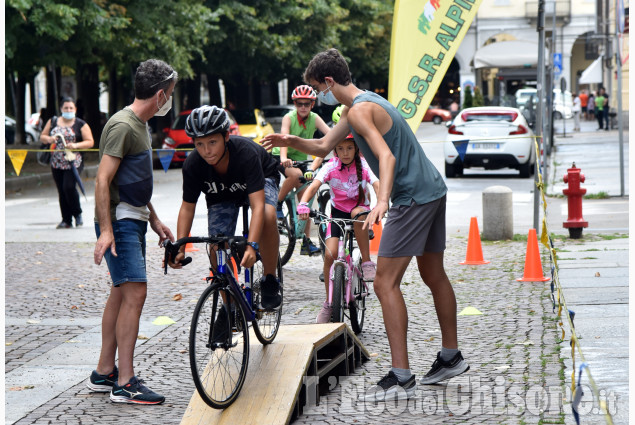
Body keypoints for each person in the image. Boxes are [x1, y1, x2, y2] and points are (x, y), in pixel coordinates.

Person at [262, 48, 468, 402]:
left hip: (410, 198)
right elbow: (326, 145)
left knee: (385, 283)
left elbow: (385, 156)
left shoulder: (357, 111)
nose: (318, 98)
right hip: (432, 189)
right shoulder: (361, 105)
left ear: (328, 82)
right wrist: (290, 141)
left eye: (317, 88)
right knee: (434, 275)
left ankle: (401, 375)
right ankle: (451, 356)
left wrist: (383, 200)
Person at [89, 59, 177, 405]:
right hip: (121, 221)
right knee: (135, 293)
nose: (169, 99)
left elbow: (134, 181)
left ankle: (104, 371)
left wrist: (153, 219)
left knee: (120, 292)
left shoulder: (140, 125)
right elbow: (102, 179)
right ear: (159, 95)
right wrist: (106, 230)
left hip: (134, 217)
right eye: (169, 94)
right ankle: (125, 382)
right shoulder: (123, 125)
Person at [167, 105, 282, 310]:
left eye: (212, 142)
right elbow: (187, 207)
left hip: (261, 179)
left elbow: (257, 206)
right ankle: (229, 308)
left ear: (226, 137)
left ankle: (270, 279)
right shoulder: (193, 164)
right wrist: (180, 246)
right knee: (216, 245)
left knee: (267, 214)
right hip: (222, 193)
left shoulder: (246, 154)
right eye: (199, 144)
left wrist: (252, 246)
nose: (206, 151)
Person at [297, 134, 380, 323]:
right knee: (330, 255)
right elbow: (313, 186)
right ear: (335, 151)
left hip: (359, 213)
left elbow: (377, 184)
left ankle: (366, 262)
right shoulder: (330, 166)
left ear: (357, 149)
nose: (345, 153)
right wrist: (303, 204)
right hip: (336, 215)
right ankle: (328, 302)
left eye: (349, 148)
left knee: (358, 213)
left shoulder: (364, 165)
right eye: (340, 149)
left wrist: (381, 203)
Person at [273, 85, 331, 256]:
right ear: (295, 104)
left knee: (305, 199)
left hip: (301, 159)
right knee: (296, 175)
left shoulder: (315, 118)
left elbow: (330, 136)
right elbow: (284, 140)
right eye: (299, 104)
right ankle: (278, 202)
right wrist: (284, 159)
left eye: (307, 104)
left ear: (312, 104)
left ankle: (306, 242)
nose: (303, 107)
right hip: (280, 156)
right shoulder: (288, 118)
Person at [39, 97, 95, 229]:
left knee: (68, 187)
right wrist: (49, 139)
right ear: (61, 109)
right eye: (66, 108)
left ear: (75, 109)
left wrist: (75, 145)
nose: (68, 110)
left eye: (71, 108)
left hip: (73, 161)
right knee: (61, 190)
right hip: (56, 161)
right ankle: (66, 219)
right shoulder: (53, 121)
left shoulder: (81, 124)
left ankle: (78, 213)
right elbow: (42, 136)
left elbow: (90, 142)